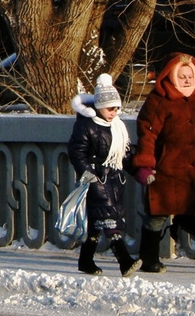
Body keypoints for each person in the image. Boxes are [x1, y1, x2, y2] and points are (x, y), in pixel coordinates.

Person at [134, 52, 195, 274]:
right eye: (183, 75)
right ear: (171, 75)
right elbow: (147, 135)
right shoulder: (159, 100)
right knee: (157, 214)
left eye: (190, 75)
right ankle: (148, 259)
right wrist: (145, 164)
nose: (187, 80)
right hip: (168, 169)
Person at [67, 73, 140, 277]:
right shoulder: (86, 125)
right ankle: (124, 261)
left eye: (116, 108)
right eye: (110, 108)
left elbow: (123, 154)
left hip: (114, 179)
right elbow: (76, 152)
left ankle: (85, 261)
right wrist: (89, 173)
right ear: (98, 106)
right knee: (109, 218)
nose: (114, 112)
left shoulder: (117, 127)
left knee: (97, 222)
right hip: (96, 179)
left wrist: (138, 170)